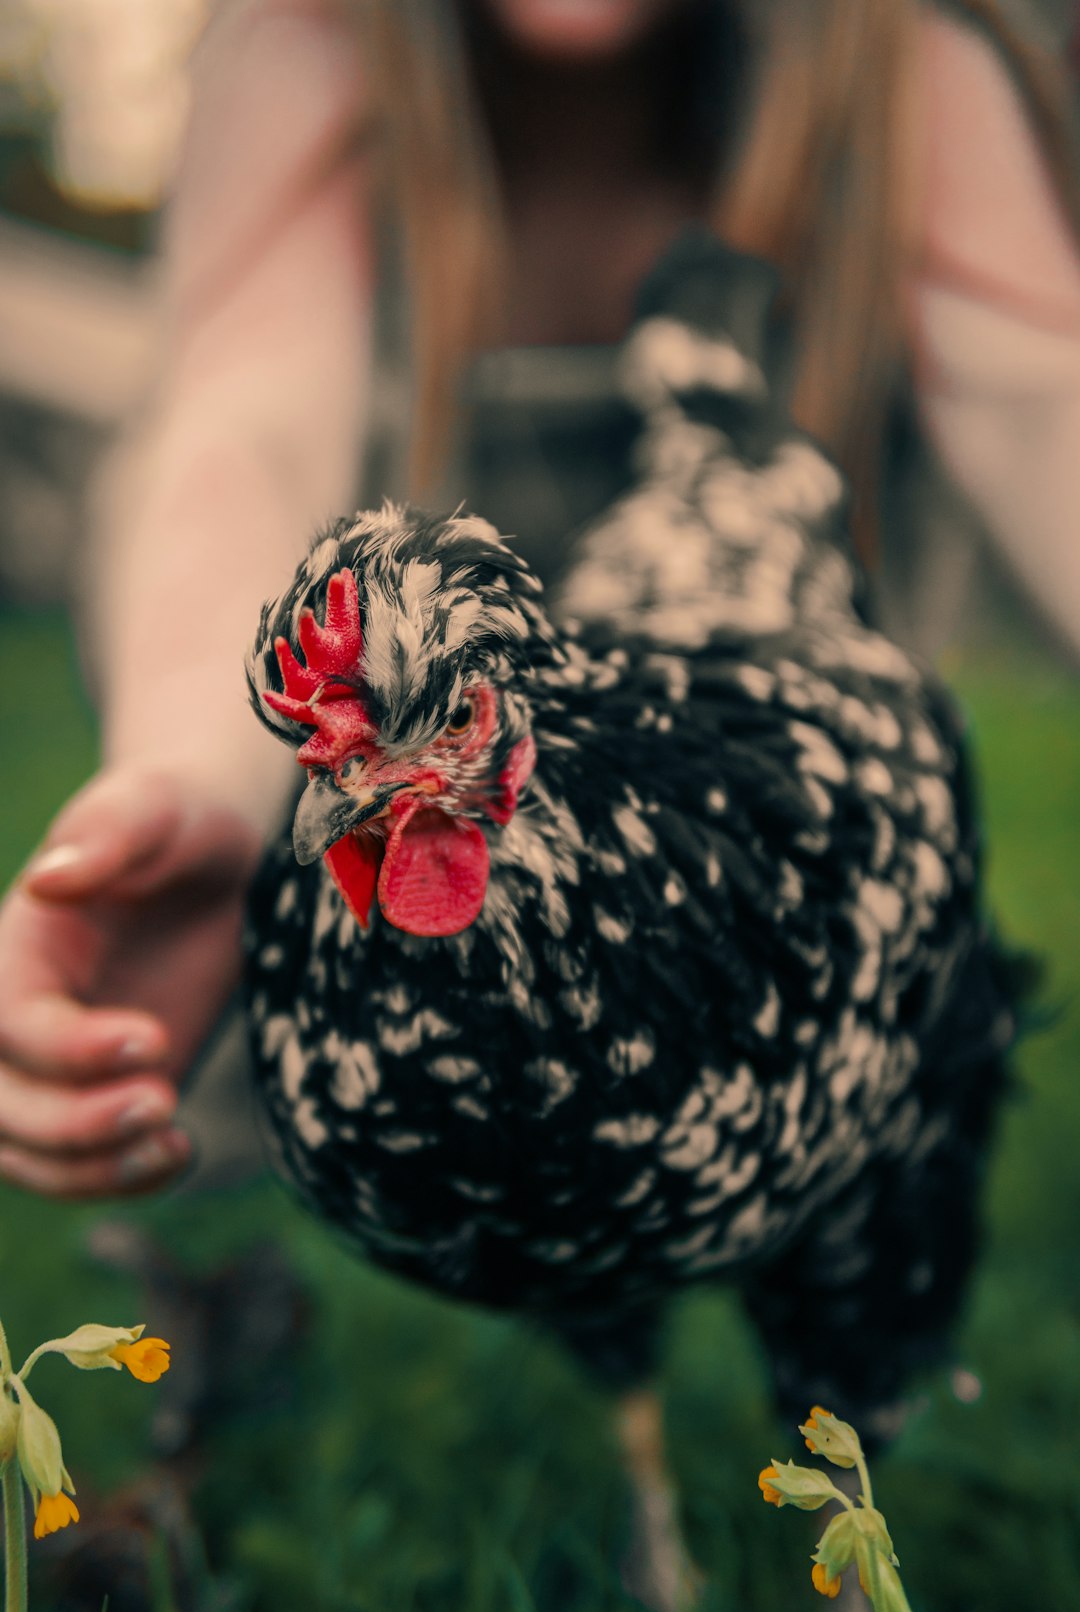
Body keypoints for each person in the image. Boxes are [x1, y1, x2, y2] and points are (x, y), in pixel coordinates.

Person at [0, 0, 1077, 1207]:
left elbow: (1051, 418)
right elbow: (242, 432)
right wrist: (193, 776)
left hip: (775, 898)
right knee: (254, 1167)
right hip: (406, 917)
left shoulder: (902, 64)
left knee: (831, 1161)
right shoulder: (308, 43)